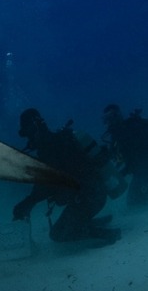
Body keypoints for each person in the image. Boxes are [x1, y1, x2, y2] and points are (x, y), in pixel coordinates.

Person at [12, 108, 122, 244]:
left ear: (34, 128)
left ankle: (109, 234)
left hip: (90, 197)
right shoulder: (56, 142)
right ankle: (87, 222)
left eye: (28, 133)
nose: (28, 139)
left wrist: (28, 203)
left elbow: (46, 187)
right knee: (65, 225)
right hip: (93, 195)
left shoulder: (51, 149)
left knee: (57, 235)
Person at [102, 104, 148, 206]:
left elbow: (139, 156)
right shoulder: (116, 136)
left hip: (144, 171)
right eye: (106, 119)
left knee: (136, 205)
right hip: (139, 172)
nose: (109, 122)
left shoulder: (133, 128)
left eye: (111, 117)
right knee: (133, 204)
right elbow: (124, 160)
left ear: (118, 116)